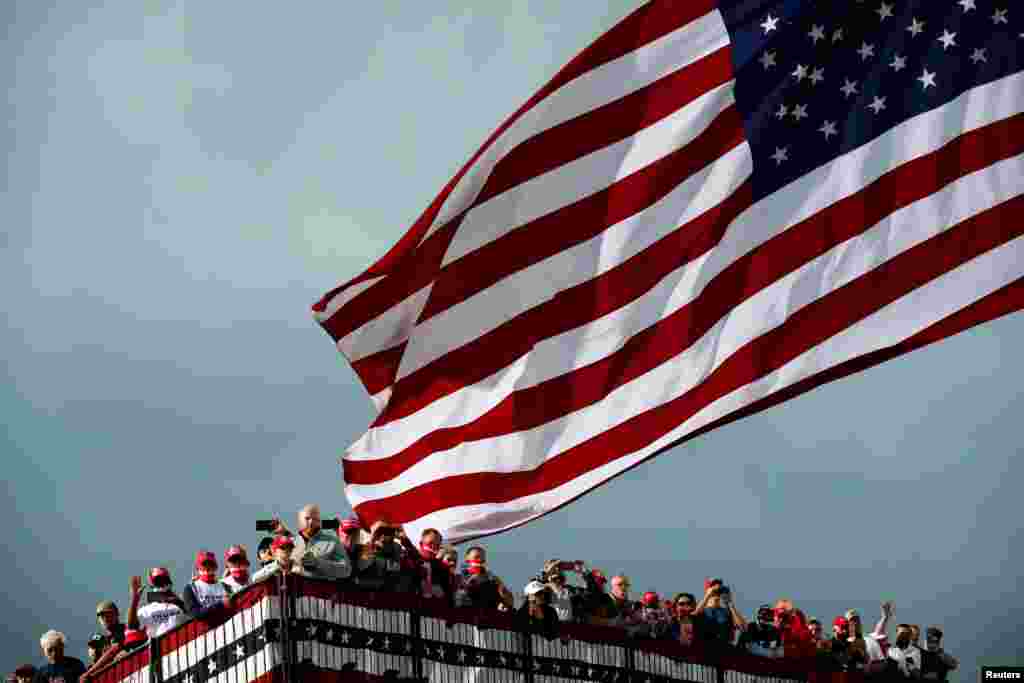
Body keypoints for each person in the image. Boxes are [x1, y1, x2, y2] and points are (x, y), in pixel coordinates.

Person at [276, 504, 353, 581]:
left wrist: (318, 563)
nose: (311, 522)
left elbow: (346, 570)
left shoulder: (332, 542)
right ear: (299, 520)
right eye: (307, 518)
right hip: (293, 590)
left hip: (321, 590)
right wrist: (281, 563)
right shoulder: (289, 542)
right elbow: (276, 568)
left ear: (319, 521)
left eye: (315, 519)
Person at [128, 570, 188, 638]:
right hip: (159, 647)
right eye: (158, 581)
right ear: (152, 585)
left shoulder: (179, 605)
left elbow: (192, 615)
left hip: (181, 645)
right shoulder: (146, 610)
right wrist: (135, 599)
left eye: (164, 580)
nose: (162, 584)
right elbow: (132, 626)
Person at [352, 520, 406, 591]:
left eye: (387, 532)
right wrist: (372, 542)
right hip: (362, 591)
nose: (383, 536)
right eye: (380, 532)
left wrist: (404, 538)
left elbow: (394, 570)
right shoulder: (363, 547)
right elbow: (360, 567)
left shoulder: (396, 548)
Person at [693, 578, 745, 647]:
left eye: (719, 588)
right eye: (713, 586)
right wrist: (707, 596)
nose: (717, 590)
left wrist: (730, 604)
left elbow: (743, 628)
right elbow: (692, 619)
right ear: (707, 590)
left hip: (724, 648)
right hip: (705, 647)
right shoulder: (701, 609)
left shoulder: (726, 611)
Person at [183, 551, 232, 618]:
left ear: (215, 567)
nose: (207, 568)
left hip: (227, 626)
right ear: (198, 568)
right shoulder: (190, 588)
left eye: (210, 565)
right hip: (207, 628)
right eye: (204, 565)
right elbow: (195, 614)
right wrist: (220, 605)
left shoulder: (226, 587)